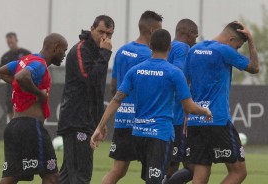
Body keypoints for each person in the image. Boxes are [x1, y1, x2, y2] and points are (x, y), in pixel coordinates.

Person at [91, 29, 212, 184]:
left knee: (151, 179)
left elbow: (116, 100)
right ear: (169, 47)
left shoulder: (135, 71)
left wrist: (99, 127)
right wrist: (205, 111)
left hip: (139, 135)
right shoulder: (174, 73)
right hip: (160, 136)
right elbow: (188, 107)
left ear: (150, 45)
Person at [184, 21, 259, 184]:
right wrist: (251, 40)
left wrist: (186, 116)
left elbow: (184, 84)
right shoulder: (224, 50)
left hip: (195, 122)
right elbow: (254, 67)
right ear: (231, 39)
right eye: (237, 47)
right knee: (238, 172)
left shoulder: (194, 50)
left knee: (201, 172)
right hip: (217, 120)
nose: (236, 50)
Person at [0, 33, 68, 184]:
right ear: (55, 48)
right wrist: (38, 93)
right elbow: (21, 77)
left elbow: (1, 72)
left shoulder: (26, 59)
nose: (64, 55)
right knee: (52, 176)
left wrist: (23, 88)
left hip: (14, 127)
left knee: (10, 178)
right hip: (30, 127)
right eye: (63, 50)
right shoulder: (39, 64)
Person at [104, 10, 163, 184]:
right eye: (160, 30)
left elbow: (114, 86)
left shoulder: (122, 51)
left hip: (123, 119)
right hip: (144, 122)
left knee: (118, 170)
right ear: (152, 30)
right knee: (152, 173)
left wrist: (120, 107)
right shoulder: (149, 56)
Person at [57, 15, 115, 184]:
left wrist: (100, 122)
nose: (105, 37)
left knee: (68, 176)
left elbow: (96, 92)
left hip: (86, 122)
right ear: (92, 29)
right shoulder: (81, 49)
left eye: (109, 34)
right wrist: (105, 53)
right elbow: (90, 80)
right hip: (76, 122)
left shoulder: (98, 52)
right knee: (81, 175)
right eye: (101, 32)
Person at [164, 19, 198, 184]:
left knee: (172, 164)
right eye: (195, 37)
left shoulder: (169, 47)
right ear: (190, 34)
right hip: (178, 117)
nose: (196, 41)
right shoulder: (183, 48)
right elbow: (178, 76)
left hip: (168, 116)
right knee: (192, 168)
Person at [0, 32, 31, 120]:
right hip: (11, 86)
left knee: (24, 110)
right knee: (10, 108)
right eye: (8, 42)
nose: (10, 44)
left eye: (12, 41)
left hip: (24, 86)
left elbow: (34, 68)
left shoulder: (26, 53)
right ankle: (12, 125)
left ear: (16, 40)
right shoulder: (5, 57)